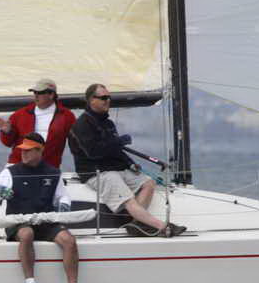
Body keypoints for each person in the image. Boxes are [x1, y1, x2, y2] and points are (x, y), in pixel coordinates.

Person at [67, 83, 186, 237]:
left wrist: (130, 163)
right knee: (128, 199)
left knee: (148, 183)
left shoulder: (107, 123)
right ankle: (164, 227)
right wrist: (119, 141)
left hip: (115, 169)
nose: (107, 100)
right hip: (97, 173)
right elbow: (94, 152)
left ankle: (136, 224)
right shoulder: (81, 125)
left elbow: (116, 150)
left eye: (109, 97)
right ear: (91, 100)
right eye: (103, 98)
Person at [0, 133, 93, 283]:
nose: (23, 153)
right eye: (22, 150)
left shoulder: (53, 173)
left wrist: (64, 205)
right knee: (27, 234)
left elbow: (63, 196)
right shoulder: (10, 172)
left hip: (46, 221)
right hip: (19, 221)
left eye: (28, 150)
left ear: (39, 151)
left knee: (68, 240)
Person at [0, 78, 77, 168]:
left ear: (51, 95)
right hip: (18, 164)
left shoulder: (67, 117)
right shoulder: (19, 115)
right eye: (34, 92)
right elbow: (8, 143)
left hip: (47, 167)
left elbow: (76, 143)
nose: (36, 96)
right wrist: (7, 132)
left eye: (40, 93)